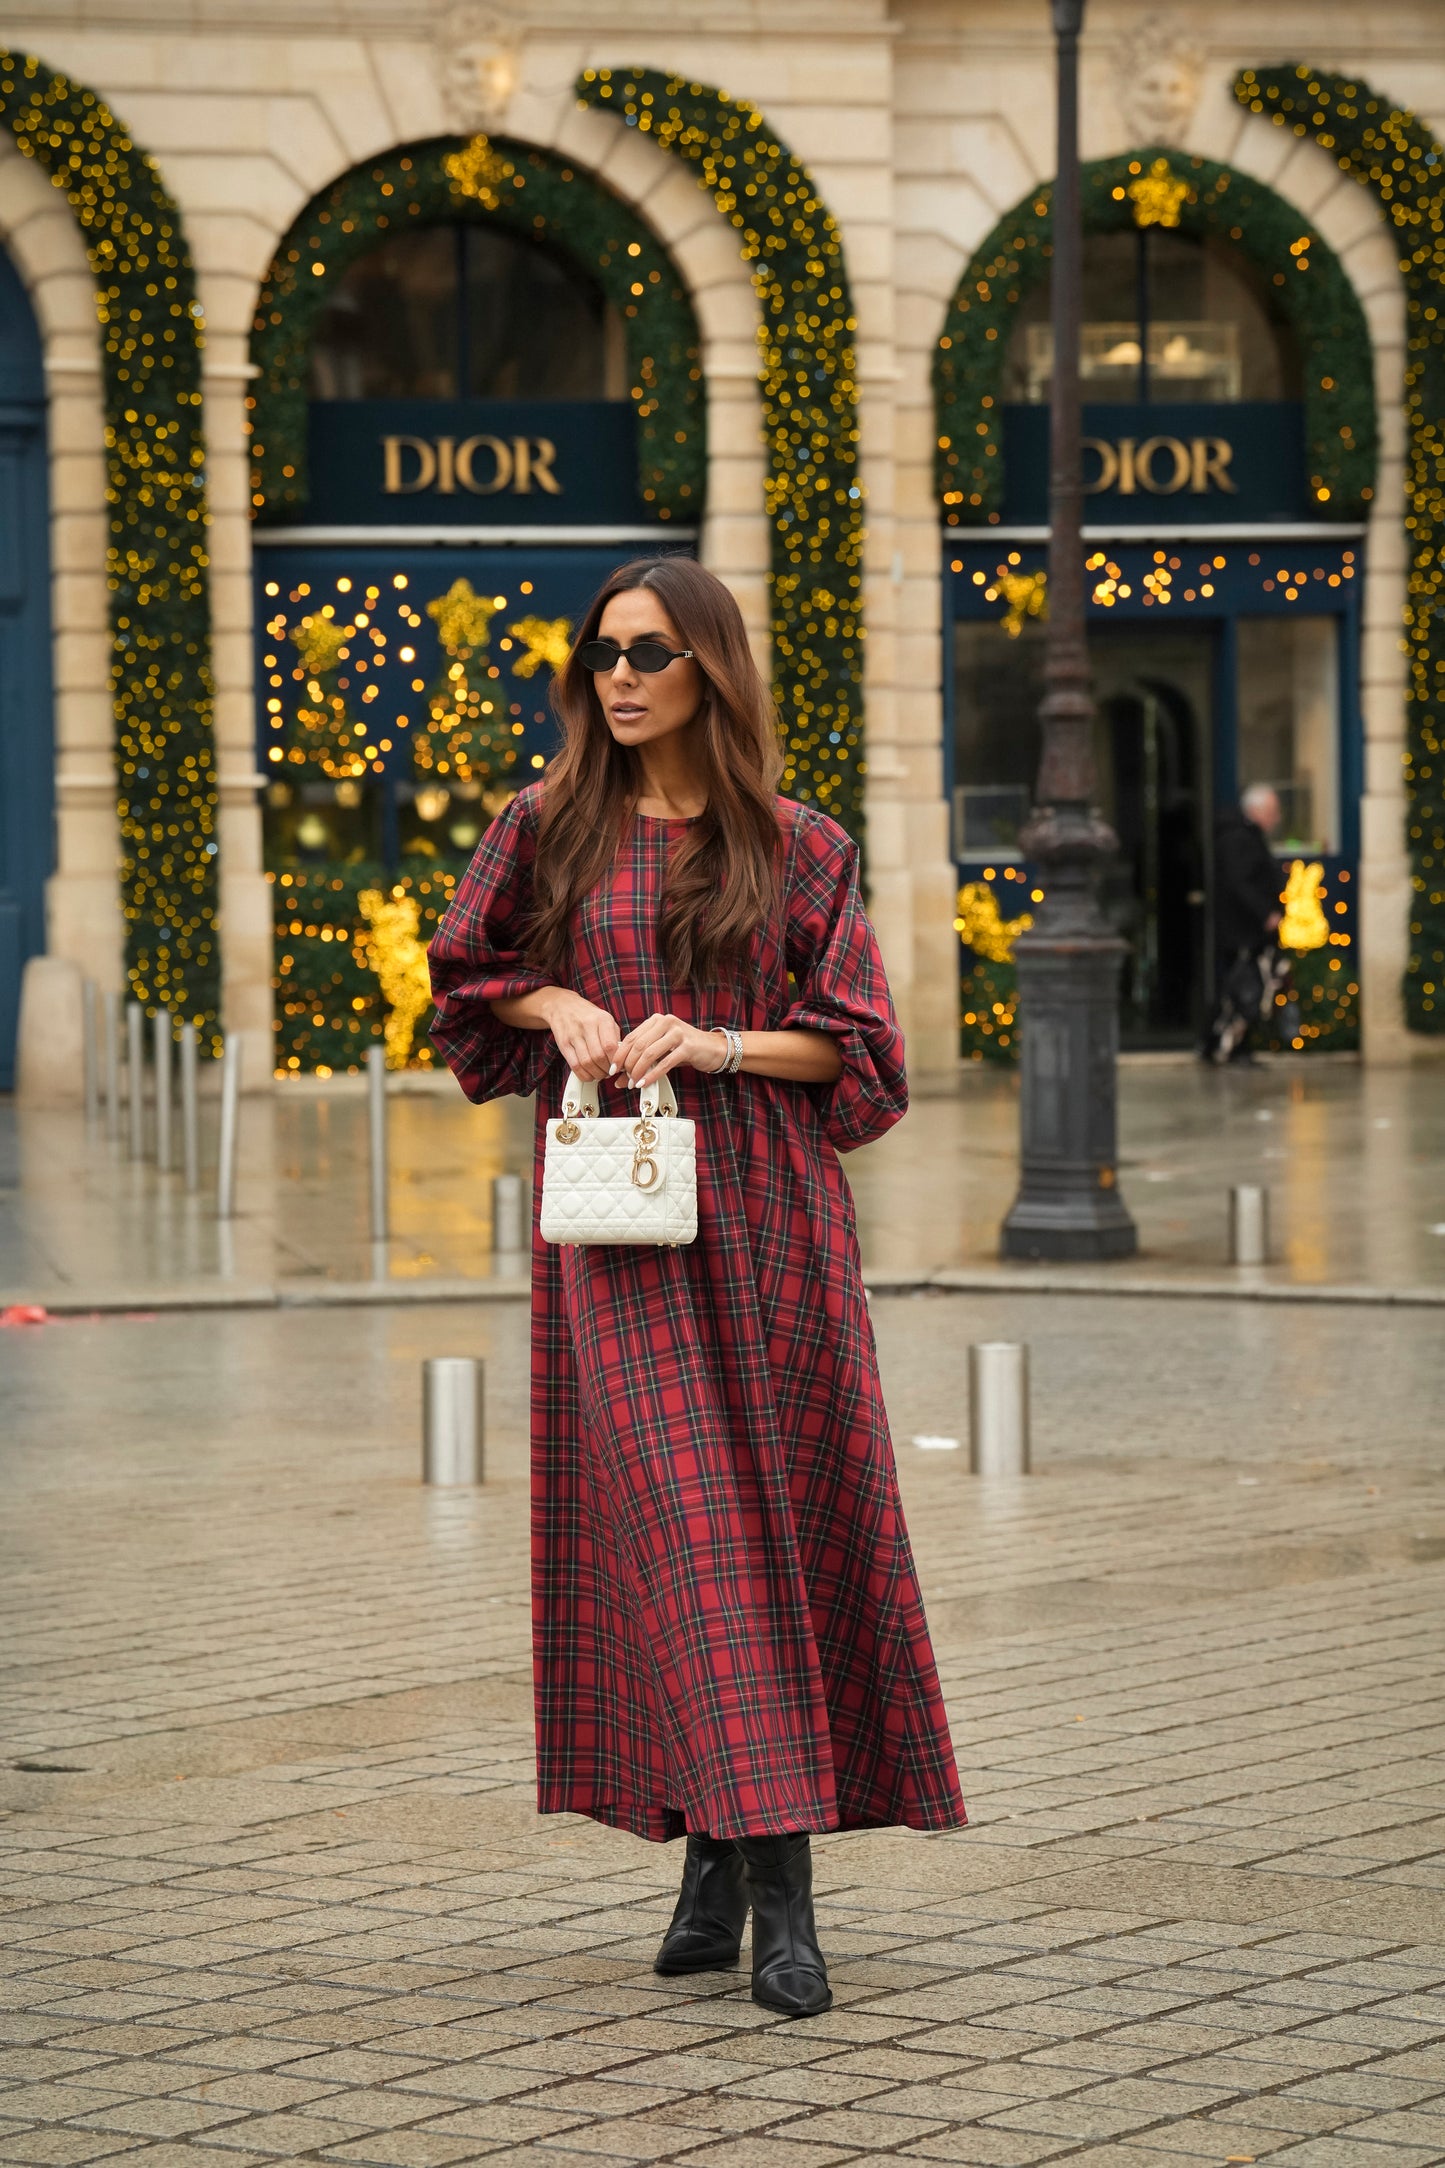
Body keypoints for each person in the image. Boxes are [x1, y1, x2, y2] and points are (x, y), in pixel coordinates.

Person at [428, 556, 967, 2020]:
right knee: (693, 1541)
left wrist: (714, 1043)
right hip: (617, 1234)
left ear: (707, 669)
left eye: (649, 650)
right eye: (600, 650)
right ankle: (764, 1883)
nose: (618, 674)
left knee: (781, 1534)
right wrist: (559, 1002)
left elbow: (860, 1053)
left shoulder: (797, 844)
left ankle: (734, 1871)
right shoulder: (539, 829)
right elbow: (461, 983)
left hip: (773, 1224)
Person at [1206, 782, 1286, 1065]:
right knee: (1242, 990)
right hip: (1242, 930)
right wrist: (1266, 913)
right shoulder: (1239, 839)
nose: (1276, 819)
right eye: (1272, 812)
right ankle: (1228, 1047)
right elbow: (1240, 883)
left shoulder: (1245, 837)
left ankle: (1233, 1046)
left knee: (1246, 988)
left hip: (1246, 930)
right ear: (1256, 810)